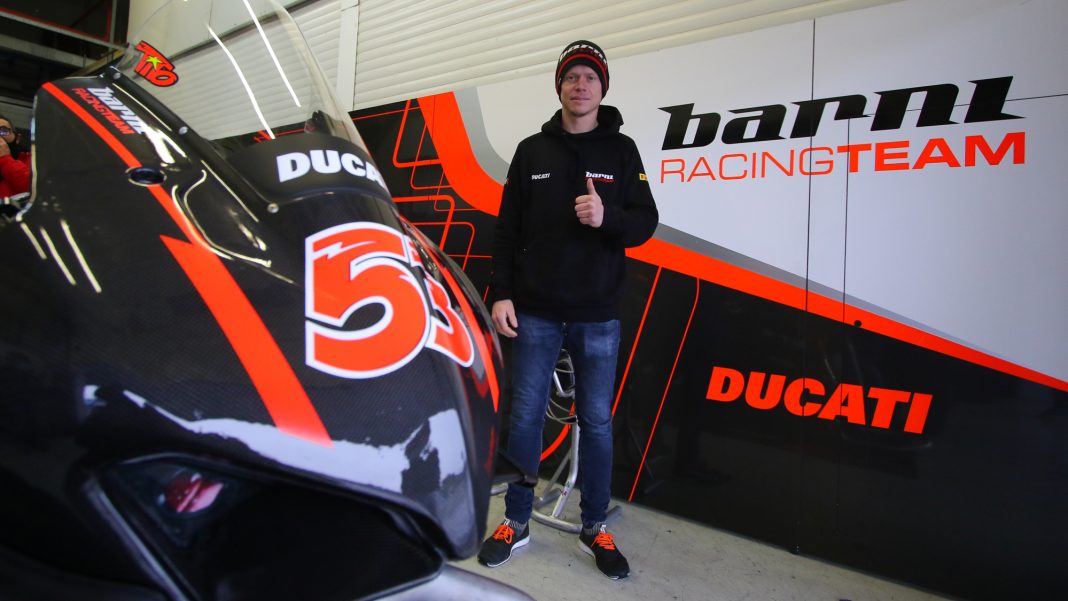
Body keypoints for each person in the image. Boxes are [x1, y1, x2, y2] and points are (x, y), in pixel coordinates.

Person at [477, 40, 659, 580]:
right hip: (534, 310)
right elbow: (506, 228)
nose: (580, 86)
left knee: (596, 422)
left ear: (603, 88)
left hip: (597, 312)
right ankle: (516, 521)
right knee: (524, 418)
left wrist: (607, 218)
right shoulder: (532, 151)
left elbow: (645, 223)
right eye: (572, 77)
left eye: (590, 77)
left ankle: (594, 525)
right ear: (559, 86)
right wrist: (501, 292)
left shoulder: (622, 151)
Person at [0, 114, 31, 198]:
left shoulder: (33, 160)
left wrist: (5, 159)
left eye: (3, 131)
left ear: (17, 138)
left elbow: (36, 190)